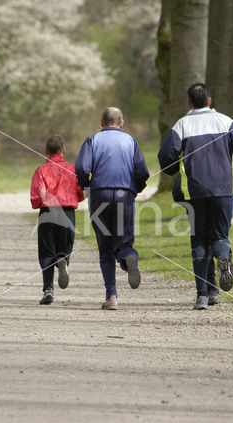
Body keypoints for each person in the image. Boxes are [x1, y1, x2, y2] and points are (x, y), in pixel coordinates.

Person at [159, 82, 233, 310]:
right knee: (220, 237)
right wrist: (228, 170)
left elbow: (166, 158)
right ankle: (222, 261)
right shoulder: (226, 121)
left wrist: (175, 170)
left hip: (194, 193)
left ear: (189, 102)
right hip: (222, 190)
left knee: (198, 241)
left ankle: (202, 295)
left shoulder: (182, 125)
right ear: (210, 100)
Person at [75, 107, 149, 310]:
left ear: (102, 123)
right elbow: (142, 171)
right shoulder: (131, 141)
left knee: (105, 246)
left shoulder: (92, 140)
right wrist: (135, 189)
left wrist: (86, 186)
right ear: (121, 123)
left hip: (100, 194)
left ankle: (112, 295)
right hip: (124, 193)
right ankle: (128, 257)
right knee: (124, 239)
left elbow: (82, 168)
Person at [172, 171, 233, 306]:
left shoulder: (192, 158)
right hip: (223, 202)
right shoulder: (225, 157)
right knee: (219, 239)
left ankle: (207, 292)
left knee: (201, 244)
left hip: (196, 201)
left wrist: (187, 205)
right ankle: (225, 262)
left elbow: (177, 191)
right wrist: (232, 204)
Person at [30, 134, 85, 305]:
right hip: (67, 212)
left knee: (46, 252)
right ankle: (63, 260)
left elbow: (37, 197)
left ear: (46, 151)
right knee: (64, 246)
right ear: (64, 150)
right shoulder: (73, 169)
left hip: (47, 213)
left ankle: (48, 289)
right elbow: (81, 192)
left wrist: (39, 203)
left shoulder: (41, 171)